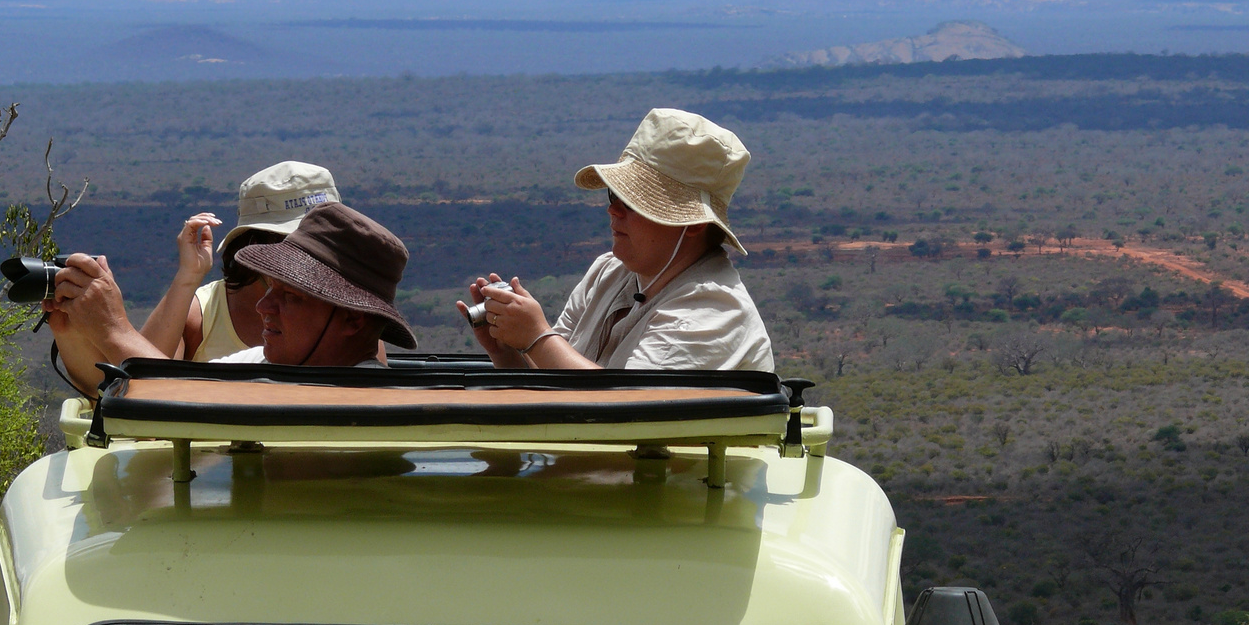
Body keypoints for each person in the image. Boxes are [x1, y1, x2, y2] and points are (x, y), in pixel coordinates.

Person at [460, 108, 773, 371]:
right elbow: (556, 383)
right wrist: (507, 351)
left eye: (633, 202)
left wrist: (538, 337)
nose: (613, 210)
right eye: (615, 194)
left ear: (691, 224)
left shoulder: (711, 310)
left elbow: (626, 406)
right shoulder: (609, 271)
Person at [45, 203, 416, 393]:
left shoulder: (351, 397)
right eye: (268, 288)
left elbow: (172, 407)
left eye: (289, 296)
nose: (263, 306)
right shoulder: (268, 363)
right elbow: (181, 386)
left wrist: (112, 326)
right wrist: (75, 332)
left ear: (353, 319)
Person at [140, 161, 341, 361]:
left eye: (322, 238)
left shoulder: (351, 310)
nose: (312, 252)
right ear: (254, 242)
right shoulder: (202, 315)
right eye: (293, 242)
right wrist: (188, 277)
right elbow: (139, 377)